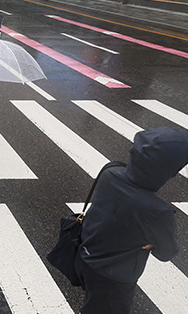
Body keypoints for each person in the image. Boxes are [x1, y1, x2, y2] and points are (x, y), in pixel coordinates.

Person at [74, 127, 188, 314]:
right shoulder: (158, 211)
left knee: (94, 304)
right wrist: (152, 243)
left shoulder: (111, 171)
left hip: (85, 257)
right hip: (114, 281)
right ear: (167, 171)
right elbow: (167, 252)